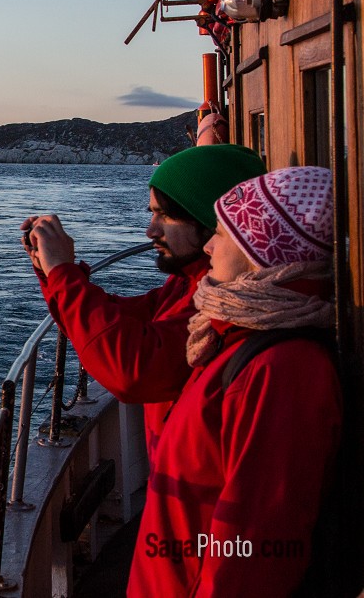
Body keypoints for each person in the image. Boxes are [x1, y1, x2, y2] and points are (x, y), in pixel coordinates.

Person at [127, 165, 340, 597]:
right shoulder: (234, 335)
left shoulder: (282, 369)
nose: (207, 244)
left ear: (257, 249)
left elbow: (256, 546)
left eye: (221, 232)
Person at [22, 144, 265, 460]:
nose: (151, 230)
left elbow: (134, 370)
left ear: (208, 220)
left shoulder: (226, 301)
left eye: (164, 215)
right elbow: (129, 318)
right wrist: (53, 274)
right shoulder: (187, 282)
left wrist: (63, 273)